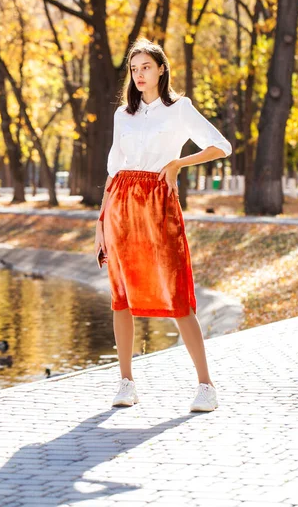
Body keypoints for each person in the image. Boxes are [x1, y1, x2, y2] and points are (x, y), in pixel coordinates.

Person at [95, 38, 232, 412]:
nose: (139, 74)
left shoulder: (179, 109)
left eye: (146, 67)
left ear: (160, 69)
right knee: (120, 296)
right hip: (121, 205)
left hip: (158, 205)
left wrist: (177, 164)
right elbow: (113, 170)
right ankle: (126, 383)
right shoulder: (122, 114)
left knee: (178, 294)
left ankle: (206, 386)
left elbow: (222, 146)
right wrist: (100, 224)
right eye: (134, 68)